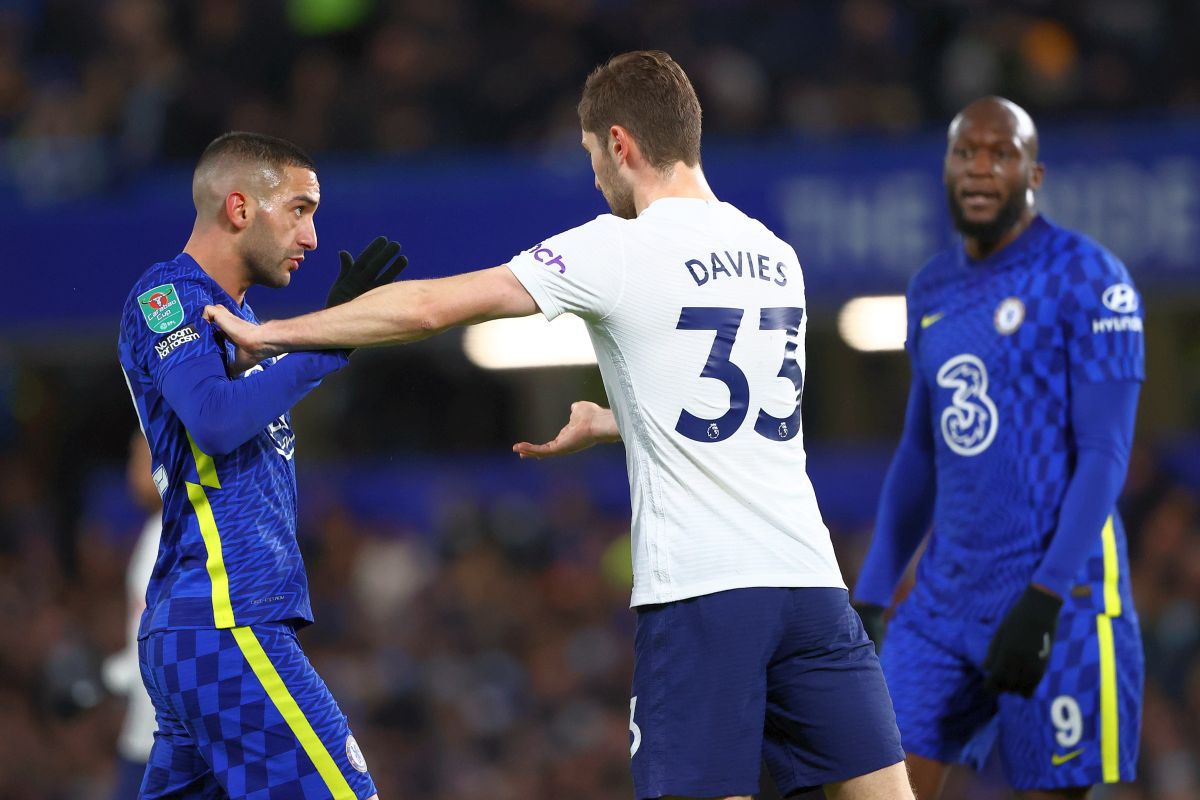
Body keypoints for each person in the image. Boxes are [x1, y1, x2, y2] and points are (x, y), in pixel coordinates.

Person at [204, 50, 913, 800]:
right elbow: (741, 414)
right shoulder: (775, 254)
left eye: (591, 155)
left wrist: (275, 334)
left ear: (620, 143)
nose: (596, 179)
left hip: (705, 591)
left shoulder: (619, 246)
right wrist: (618, 420)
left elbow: (432, 307)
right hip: (810, 584)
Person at [850, 97, 1145, 799]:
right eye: (965, 152)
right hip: (943, 604)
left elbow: (1105, 452)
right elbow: (919, 453)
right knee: (870, 784)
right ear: (947, 168)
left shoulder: (1089, 278)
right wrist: (872, 593)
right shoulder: (931, 288)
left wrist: (1045, 597)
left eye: (1000, 153)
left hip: (1062, 597)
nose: (980, 168)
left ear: (1032, 173)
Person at [117, 131, 406, 800]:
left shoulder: (242, 323)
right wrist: (332, 338)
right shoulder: (170, 294)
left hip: (201, 630)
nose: (312, 237)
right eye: (299, 210)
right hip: (225, 619)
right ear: (240, 208)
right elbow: (214, 420)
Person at [101, 433, 163, 799]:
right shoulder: (156, 529)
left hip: (169, 739)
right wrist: (111, 675)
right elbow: (144, 638)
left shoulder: (181, 535)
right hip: (144, 732)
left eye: (142, 457)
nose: (132, 470)